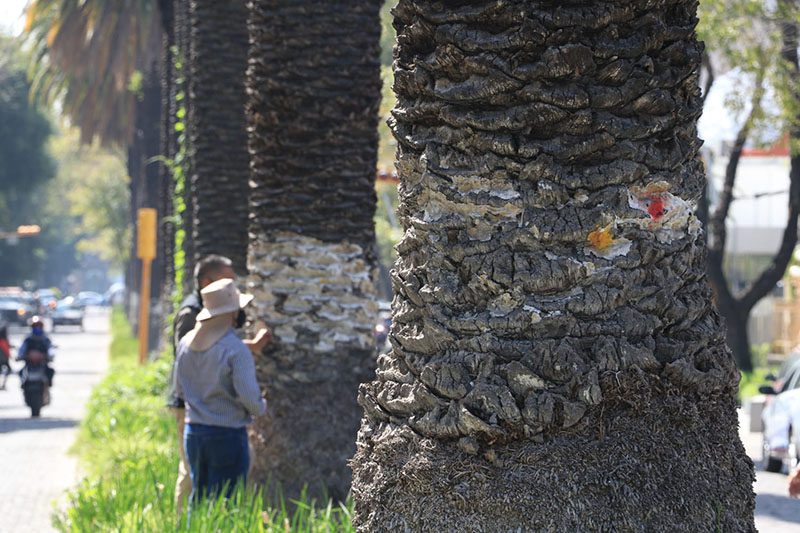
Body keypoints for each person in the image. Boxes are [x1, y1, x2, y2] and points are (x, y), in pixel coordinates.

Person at [168, 255, 271, 513]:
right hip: (227, 434)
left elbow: (179, 389)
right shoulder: (236, 350)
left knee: (198, 499)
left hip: (194, 433)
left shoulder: (186, 344)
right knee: (228, 503)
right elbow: (250, 400)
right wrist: (261, 406)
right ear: (232, 312)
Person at [16, 316, 54, 387]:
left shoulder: (45, 339)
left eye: (39, 326)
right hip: (29, 365)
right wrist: (20, 356)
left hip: (42, 364)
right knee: (21, 372)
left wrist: (50, 356)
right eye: (35, 326)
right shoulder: (28, 339)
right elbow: (22, 349)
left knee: (50, 371)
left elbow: (50, 349)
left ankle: (47, 388)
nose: (37, 328)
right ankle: (24, 386)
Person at [0, 324, 12, 390]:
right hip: (4, 359)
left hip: (3, 358)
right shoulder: (3, 340)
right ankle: (3, 385)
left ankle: (3, 385)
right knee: (9, 370)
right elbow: (5, 349)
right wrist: (9, 356)